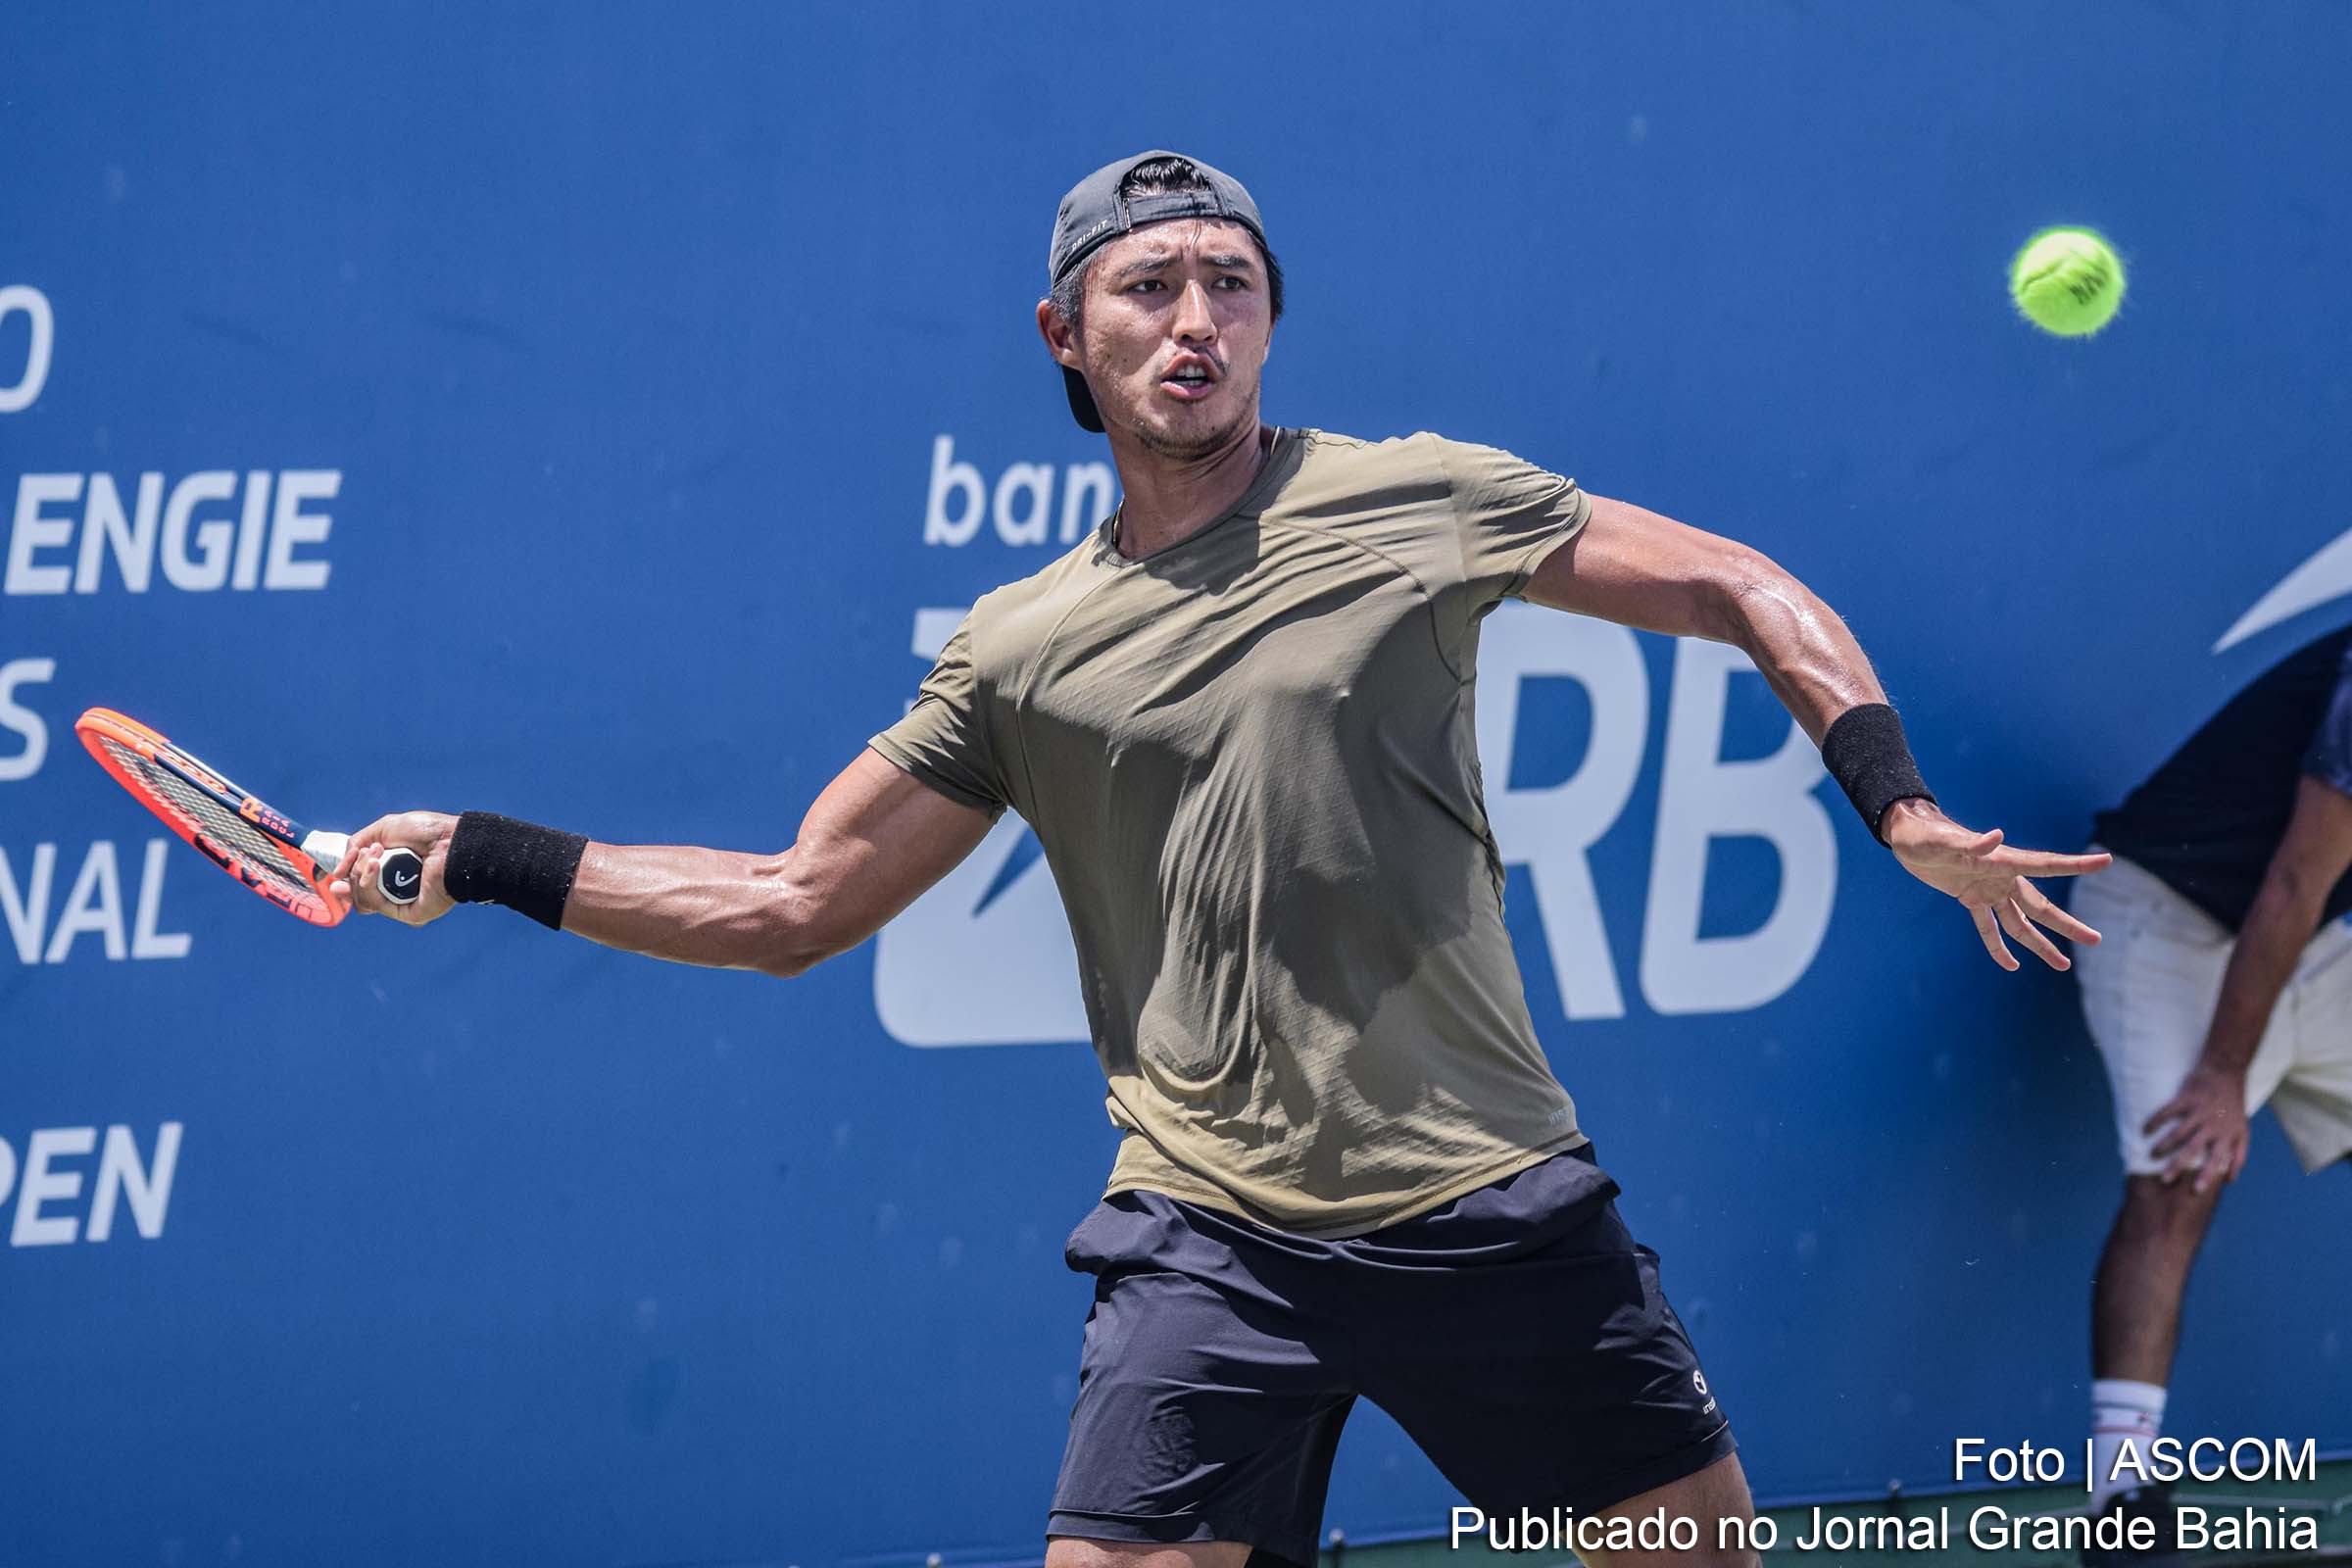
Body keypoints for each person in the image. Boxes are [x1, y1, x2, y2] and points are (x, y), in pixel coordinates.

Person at [333, 150, 2106, 1568]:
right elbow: (790, 906)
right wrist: (486, 855)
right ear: (1064, 333)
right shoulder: (1022, 651)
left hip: (1491, 1206)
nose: (1199, 321)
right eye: (1151, 287)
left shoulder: (1416, 496)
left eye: (1232, 286)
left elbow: (1732, 580)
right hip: (1213, 1246)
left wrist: (1896, 802)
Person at [2071, 625, 2352, 1563]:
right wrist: (2224, 1076)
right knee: (2179, 1177)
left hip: (2310, 935)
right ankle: (2123, 1494)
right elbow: (2295, 880)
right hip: (2166, 916)